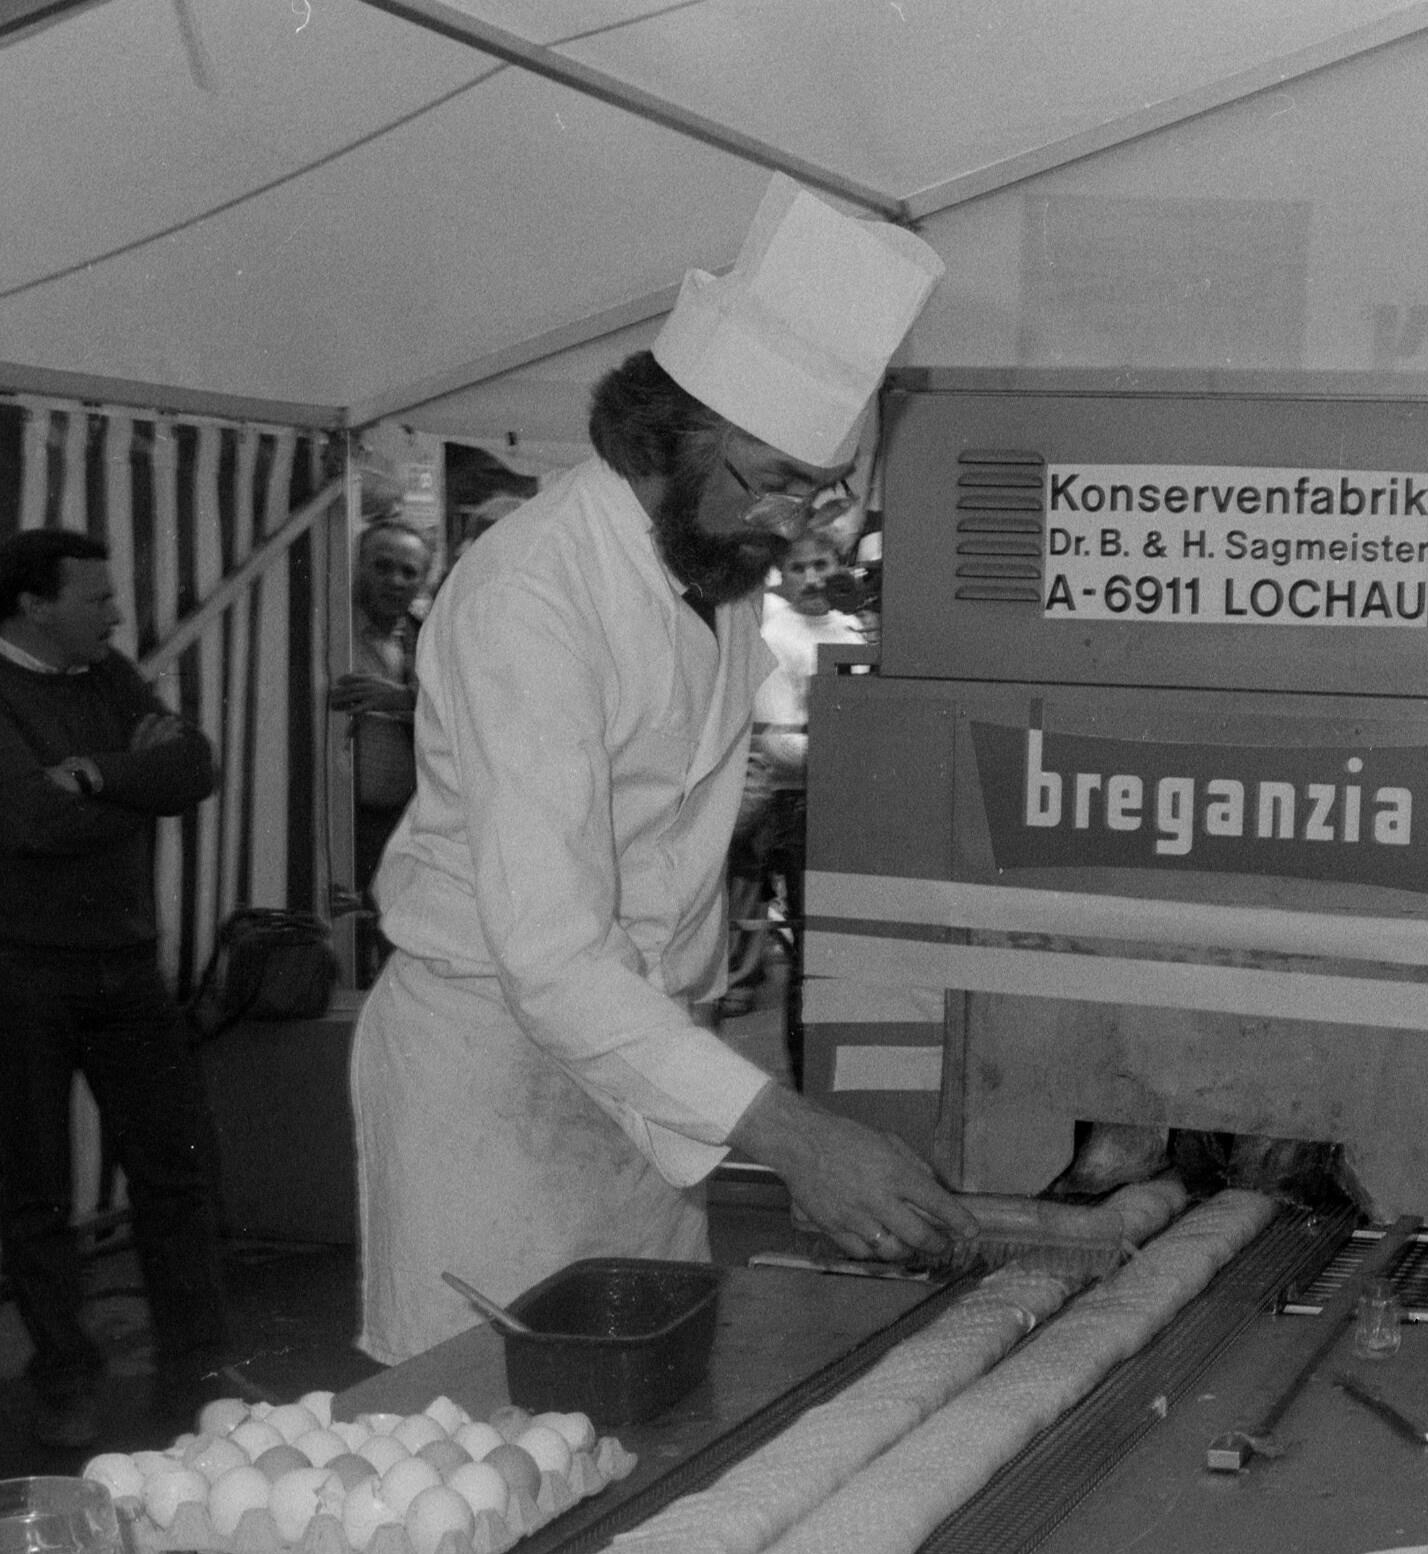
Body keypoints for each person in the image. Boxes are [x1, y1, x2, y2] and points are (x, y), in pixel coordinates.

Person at [350, 173, 969, 1363]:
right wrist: (795, 1135)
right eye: (774, 482)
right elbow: (550, 953)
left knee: (646, 1399)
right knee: (479, 1413)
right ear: (673, 438)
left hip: (641, 1072)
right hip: (495, 1074)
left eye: (819, 495)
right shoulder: (532, 594)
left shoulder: (714, 571)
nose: (791, 524)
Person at [0, 527, 232, 1448]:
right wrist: (138, 790)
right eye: (97, 599)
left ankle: (198, 1377)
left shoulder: (104, 673)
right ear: (33, 605)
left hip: (125, 963)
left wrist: (94, 775)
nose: (117, 614)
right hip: (16, 970)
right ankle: (64, 1379)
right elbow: (28, 820)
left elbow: (196, 766)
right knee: (37, 1185)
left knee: (177, 1172)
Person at [715, 533, 864, 1044]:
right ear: (784, 575)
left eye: (821, 564)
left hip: (836, 797)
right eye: (799, 568)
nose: (812, 577)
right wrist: (856, 752)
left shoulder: (851, 630)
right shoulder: (775, 637)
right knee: (801, 936)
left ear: (839, 565)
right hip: (789, 801)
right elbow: (780, 745)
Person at [328, 522, 430, 971]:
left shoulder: (427, 637)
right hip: (345, 820)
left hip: (409, 821)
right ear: (357, 567)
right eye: (383, 566)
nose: (395, 580)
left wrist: (404, 700)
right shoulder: (334, 634)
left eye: (409, 572)